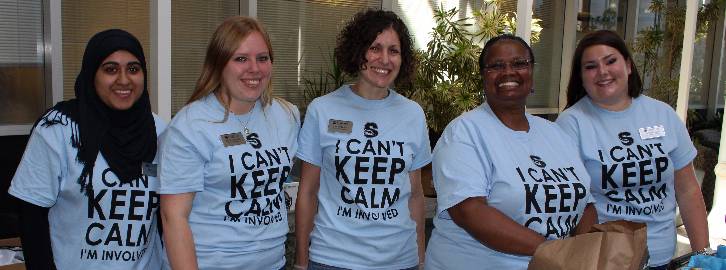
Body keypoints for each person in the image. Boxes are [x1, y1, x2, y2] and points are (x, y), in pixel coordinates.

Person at [424, 34, 597, 269]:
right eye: (496, 66)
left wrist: (580, 252)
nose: (508, 72)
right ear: (483, 77)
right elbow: (470, 212)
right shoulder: (464, 132)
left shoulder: (556, 133)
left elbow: (585, 203)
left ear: (532, 73)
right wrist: (557, 252)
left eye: (519, 64)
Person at [9, 29, 165, 270]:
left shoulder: (160, 131)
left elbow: (167, 216)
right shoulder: (58, 129)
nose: (124, 80)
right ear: (92, 74)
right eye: (110, 69)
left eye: (133, 69)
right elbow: (31, 218)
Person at [556, 30, 710, 269]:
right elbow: (568, 204)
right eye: (591, 66)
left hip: (662, 258)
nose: (603, 71)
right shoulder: (571, 124)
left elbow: (688, 190)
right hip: (606, 260)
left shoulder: (663, 114)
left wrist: (703, 256)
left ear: (628, 65)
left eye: (610, 61)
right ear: (581, 77)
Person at [158, 16, 299, 270]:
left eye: (263, 58)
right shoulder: (190, 126)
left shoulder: (286, 116)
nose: (254, 68)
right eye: (241, 58)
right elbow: (173, 217)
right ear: (219, 63)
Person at [295, 9, 431, 270]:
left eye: (394, 50)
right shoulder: (322, 110)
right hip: (333, 259)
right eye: (374, 48)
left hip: (400, 261)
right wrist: (302, 262)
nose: (384, 59)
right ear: (358, 52)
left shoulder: (412, 114)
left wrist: (420, 259)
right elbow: (308, 192)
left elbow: (415, 194)